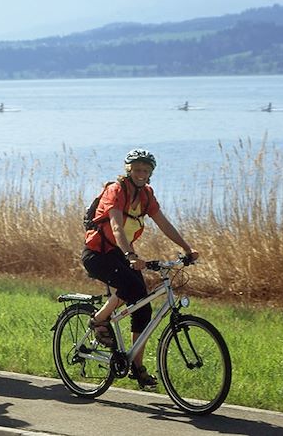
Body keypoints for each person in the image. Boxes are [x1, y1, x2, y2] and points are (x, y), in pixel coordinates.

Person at [81, 148, 198, 390]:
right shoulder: (116, 191)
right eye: (137, 169)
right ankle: (99, 320)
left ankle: (136, 366)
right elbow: (115, 226)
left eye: (146, 170)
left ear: (151, 172)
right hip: (98, 255)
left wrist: (187, 248)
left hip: (120, 254)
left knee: (143, 308)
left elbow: (163, 223)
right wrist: (130, 255)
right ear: (129, 170)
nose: (141, 173)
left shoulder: (146, 195)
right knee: (130, 285)